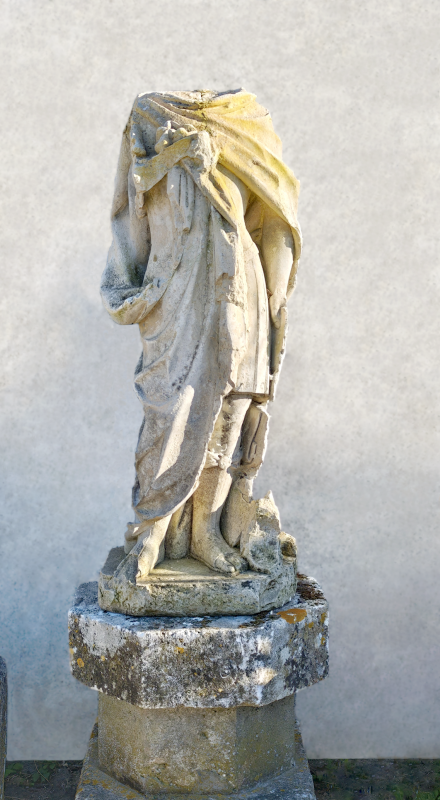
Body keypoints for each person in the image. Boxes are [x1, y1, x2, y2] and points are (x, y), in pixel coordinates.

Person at [100, 89, 301, 580]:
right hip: (177, 289)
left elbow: (276, 215)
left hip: (240, 287)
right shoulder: (149, 117)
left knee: (230, 412)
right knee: (171, 408)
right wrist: (129, 282)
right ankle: (153, 533)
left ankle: (206, 534)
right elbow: (131, 213)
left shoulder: (248, 121)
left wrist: (277, 295)